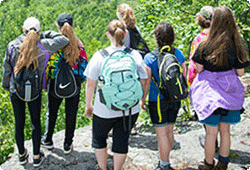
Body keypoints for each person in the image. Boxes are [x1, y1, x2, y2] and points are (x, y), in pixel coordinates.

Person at [2, 17, 69, 167]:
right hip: (35, 90)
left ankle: (21, 155)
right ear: (37, 32)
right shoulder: (44, 45)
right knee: (35, 123)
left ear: (22, 29)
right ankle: (37, 156)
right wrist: (43, 34)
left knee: (19, 123)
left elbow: (7, 69)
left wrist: (7, 86)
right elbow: (64, 40)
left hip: (16, 89)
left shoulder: (12, 45)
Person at [189, 6, 249, 170]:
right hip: (229, 94)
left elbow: (199, 69)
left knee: (210, 133)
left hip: (210, 96)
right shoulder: (236, 45)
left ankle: (208, 164)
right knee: (225, 131)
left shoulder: (204, 44)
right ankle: (223, 163)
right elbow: (241, 72)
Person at [84, 20, 148, 170]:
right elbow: (144, 80)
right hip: (130, 109)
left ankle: (102, 168)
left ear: (108, 35)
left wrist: (89, 105)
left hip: (104, 108)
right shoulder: (135, 55)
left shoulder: (100, 56)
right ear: (125, 35)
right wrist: (141, 99)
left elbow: (90, 84)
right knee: (122, 140)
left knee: (99, 139)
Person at [142, 22, 186, 170]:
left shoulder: (149, 58)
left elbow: (146, 83)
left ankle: (164, 164)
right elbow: (183, 77)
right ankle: (165, 160)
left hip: (157, 100)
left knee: (161, 134)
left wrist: (143, 99)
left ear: (157, 38)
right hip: (175, 98)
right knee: (169, 129)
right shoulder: (178, 54)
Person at [41, 13, 87, 154]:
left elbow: (47, 66)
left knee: (52, 113)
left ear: (58, 27)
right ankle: (68, 144)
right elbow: (84, 66)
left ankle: (48, 140)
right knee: (71, 114)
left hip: (55, 84)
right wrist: (79, 82)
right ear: (72, 26)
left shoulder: (53, 46)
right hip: (74, 84)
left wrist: (46, 84)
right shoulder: (79, 45)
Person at [187, 5, 219, 151]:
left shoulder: (199, 38)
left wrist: (190, 82)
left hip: (205, 82)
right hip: (222, 80)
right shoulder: (221, 37)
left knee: (207, 112)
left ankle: (211, 142)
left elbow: (194, 65)